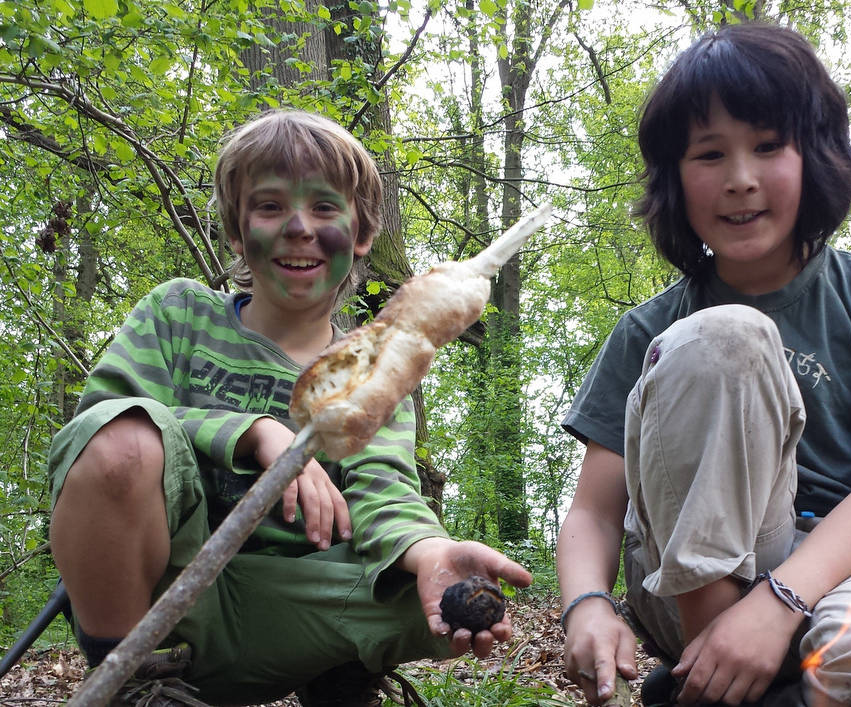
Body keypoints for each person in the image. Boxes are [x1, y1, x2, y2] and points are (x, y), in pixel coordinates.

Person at [557, 23, 851, 707]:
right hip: (682, 581)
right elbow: (595, 509)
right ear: (675, 177)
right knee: (723, 336)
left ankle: (728, 685)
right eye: (709, 154)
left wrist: (780, 601)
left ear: (815, 155)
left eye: (767, 146)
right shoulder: (646, 330)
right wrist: (586, 602)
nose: (740, 179)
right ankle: (715, 667)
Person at [48, 109, 532, 707]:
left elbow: (382, 492)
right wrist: (255, 433)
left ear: (360, 237)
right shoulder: (179, 315)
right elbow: (100, 421)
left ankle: (336, 670)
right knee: (119, 441)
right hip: (168, 598)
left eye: (325, 209)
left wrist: (429, 550)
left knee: (422, 587)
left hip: (293, 604)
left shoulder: (373, 373)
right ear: (236, 229)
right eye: (271, 206)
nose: (300, 227)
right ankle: (134, 686)